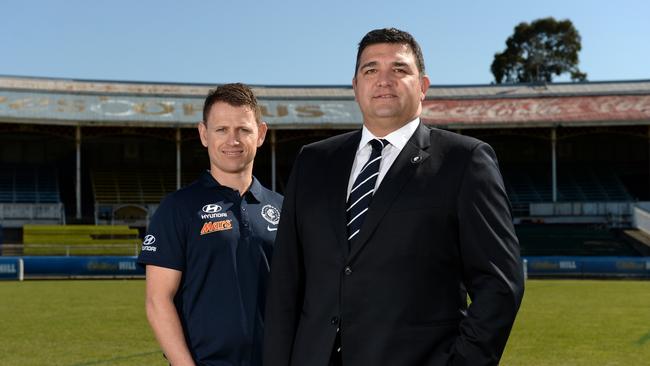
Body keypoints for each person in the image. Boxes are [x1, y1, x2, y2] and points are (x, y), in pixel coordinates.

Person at [263, 28, 524, 366]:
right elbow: (286, 281)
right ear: (356, 87)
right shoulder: (313, 161)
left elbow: (500, 284)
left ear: (423, 86)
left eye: (399, 69)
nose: (383, 80)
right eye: (370, 70)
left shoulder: (464, 161)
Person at [138, 83, 282, 366]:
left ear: (261, 134)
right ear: (204, 134)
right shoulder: (177, 208)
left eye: (243, 129)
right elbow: (158, 300)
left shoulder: (283, 208)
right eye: (221, 129)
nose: (233, 140)